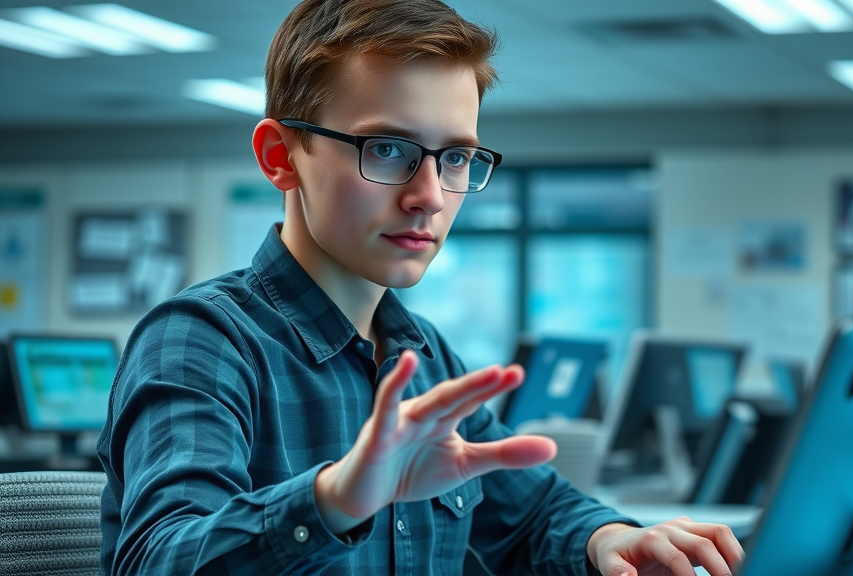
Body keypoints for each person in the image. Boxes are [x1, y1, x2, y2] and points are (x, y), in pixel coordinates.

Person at [96, 0, 745, 574]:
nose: (430, 196)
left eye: (456, 157)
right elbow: (160, 558)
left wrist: (607, 539)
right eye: (386, 150)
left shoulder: (422, 355)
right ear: (281, 157)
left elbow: (533, 510)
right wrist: (335, 497)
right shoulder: (200, 340)